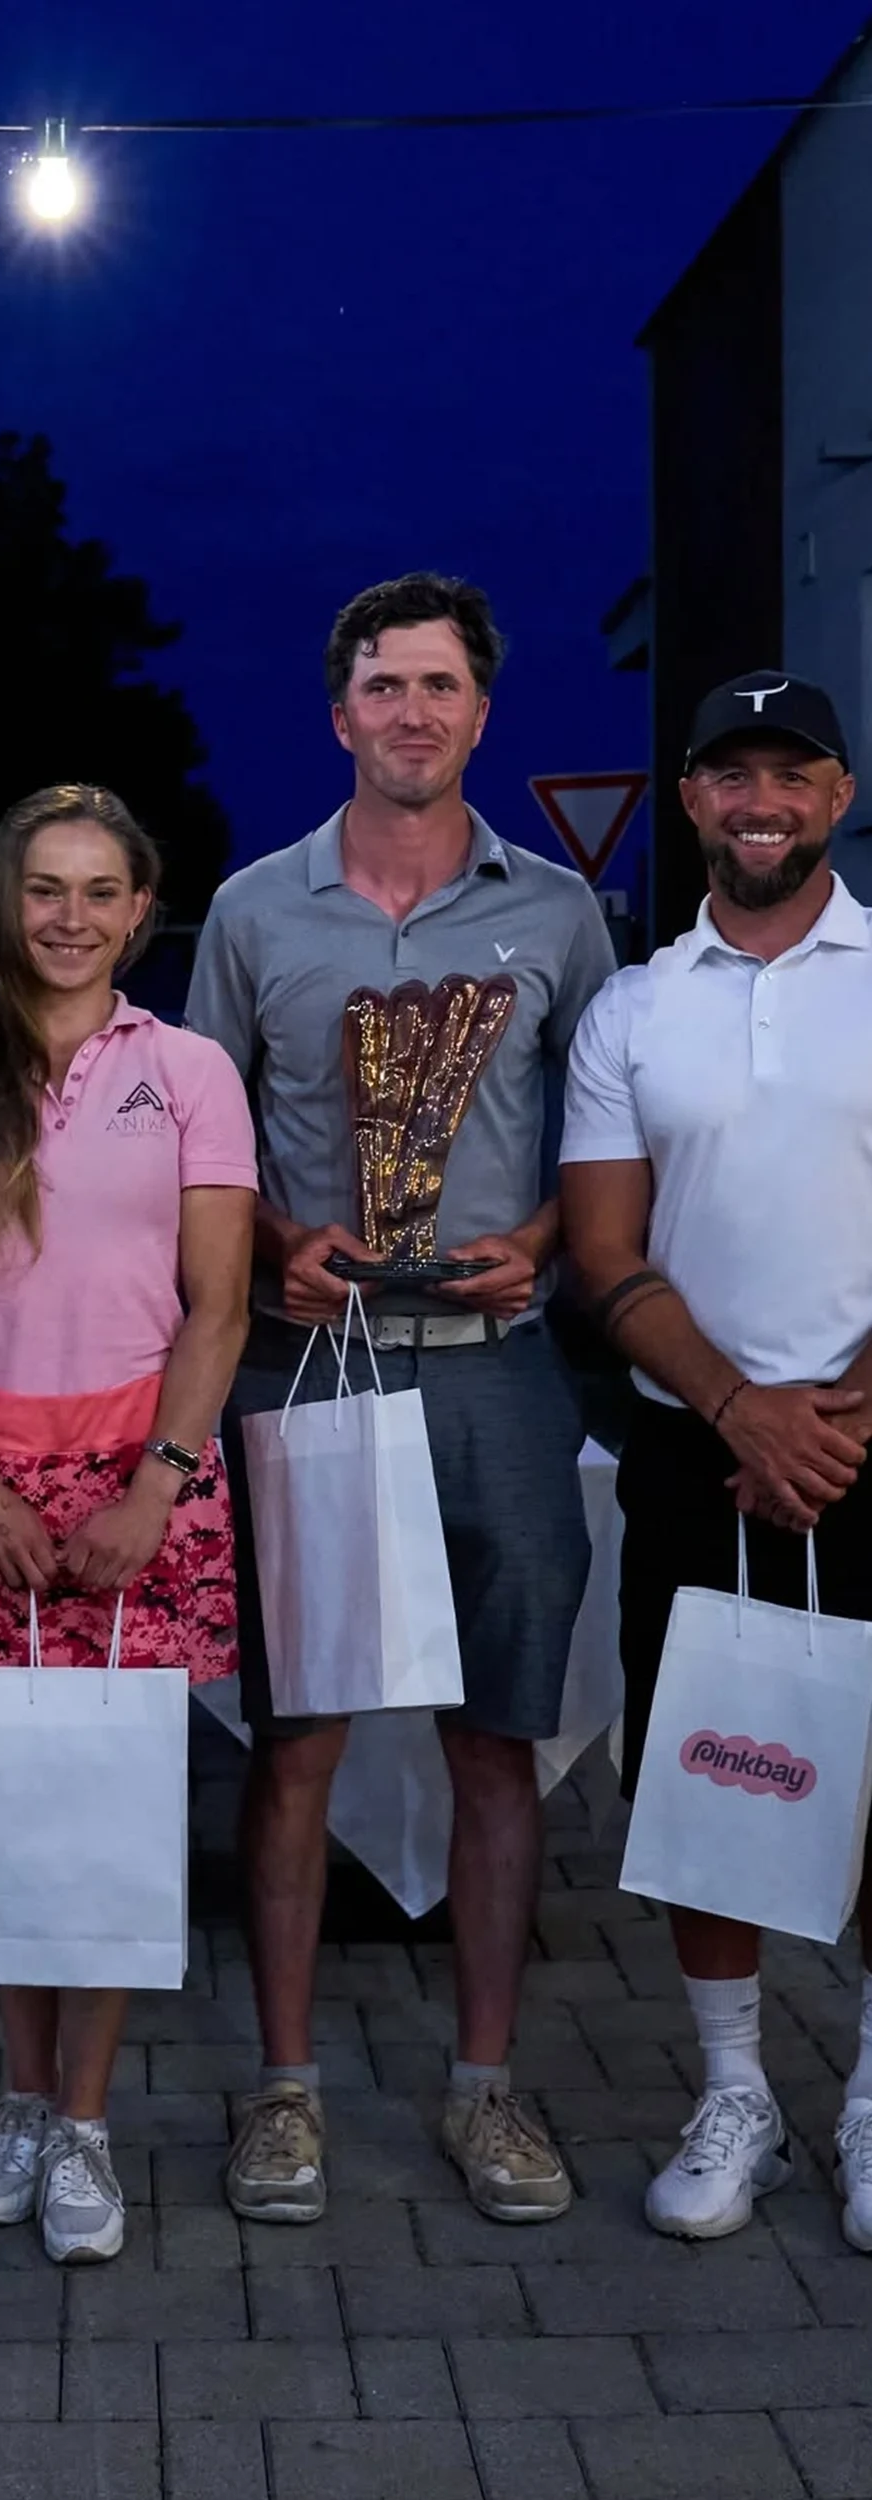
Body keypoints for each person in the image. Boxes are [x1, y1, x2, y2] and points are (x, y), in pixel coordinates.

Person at [186, 573, 617, 2229]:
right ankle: (285, 2089)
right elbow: (207, 1153)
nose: (413, 712)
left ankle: (485, 2084)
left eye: (441, 686)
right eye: (385, 685)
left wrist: (547, 1248)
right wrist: (277, 1245)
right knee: (298, 1742)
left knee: (497, 1743)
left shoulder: (558, 917)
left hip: (495, 1374)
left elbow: (607, 1145)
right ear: (340, 712)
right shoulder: (253, 913)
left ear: (482, 714)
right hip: (310, 1369)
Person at [0, 785, 255, 2263]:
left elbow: (217, 1308)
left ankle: (85, 2120)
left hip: (142, 1484)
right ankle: (20, 2099)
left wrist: (158, 1486)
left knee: (113, 1810)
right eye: (46, 888)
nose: (71, 917)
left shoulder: (190, 1071)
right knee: (13, 1808)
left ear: (141, 912)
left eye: (101, 891)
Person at [559, 669, 872, 2245]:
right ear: (689, 797)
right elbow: (606, 1252)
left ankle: (871, 2092)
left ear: (838, 795)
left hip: (867, 1440)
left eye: (790, 773)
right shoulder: (633, 1005)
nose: (762, 801)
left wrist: (832, 1417)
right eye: (731, 774)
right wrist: (745, 1411)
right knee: (711, 1770)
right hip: (698, 1445)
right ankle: (736, 2089)